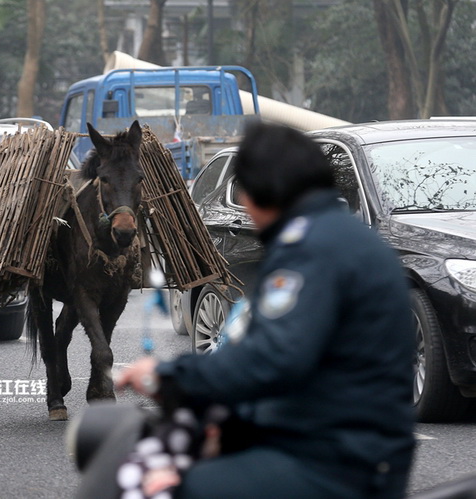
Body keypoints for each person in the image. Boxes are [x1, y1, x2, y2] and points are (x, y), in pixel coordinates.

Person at [115, 122, 416, 498]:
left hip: (335, 463)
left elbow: (272, 359)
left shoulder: (311, 249)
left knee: (155, 488)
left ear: (259, 194)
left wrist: (168, 376)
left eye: (243, 192)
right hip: (340, 443)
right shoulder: (342, 236)